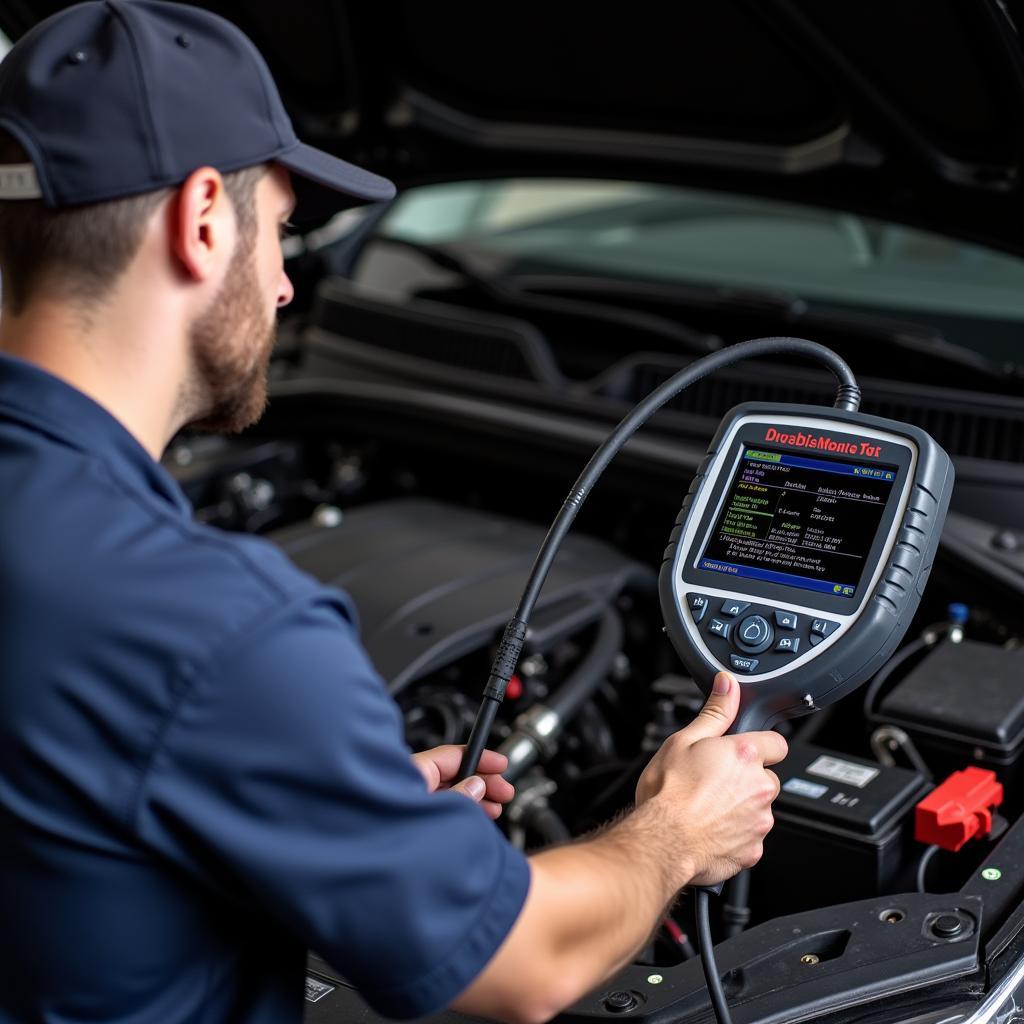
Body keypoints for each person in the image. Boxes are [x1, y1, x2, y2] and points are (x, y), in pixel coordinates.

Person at [0, 3, 787, 1023]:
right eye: (280, 232)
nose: (285, 285)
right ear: (201, 220)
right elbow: (524, 964)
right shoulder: (209, 627)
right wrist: (678, 827)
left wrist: (315, 816)